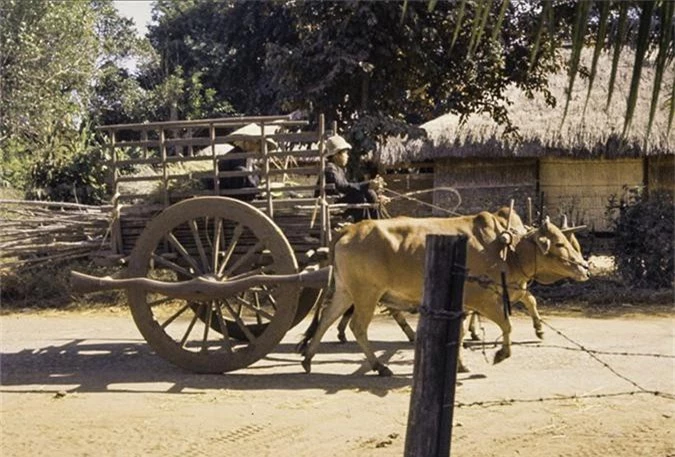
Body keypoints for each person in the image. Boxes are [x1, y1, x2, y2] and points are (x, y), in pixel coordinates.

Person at [316, 135, 389, 222]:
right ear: (336, 155)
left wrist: (376, 196)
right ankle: (377, 223)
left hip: (337, 200)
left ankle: (378, 222)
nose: (347, 156)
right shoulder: (330, 169)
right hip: (331, 203)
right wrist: (368, 184)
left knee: (369, 193)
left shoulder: (338, 169)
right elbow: (343, 187)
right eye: (345, 153)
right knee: (365, 194)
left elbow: (348, 187)